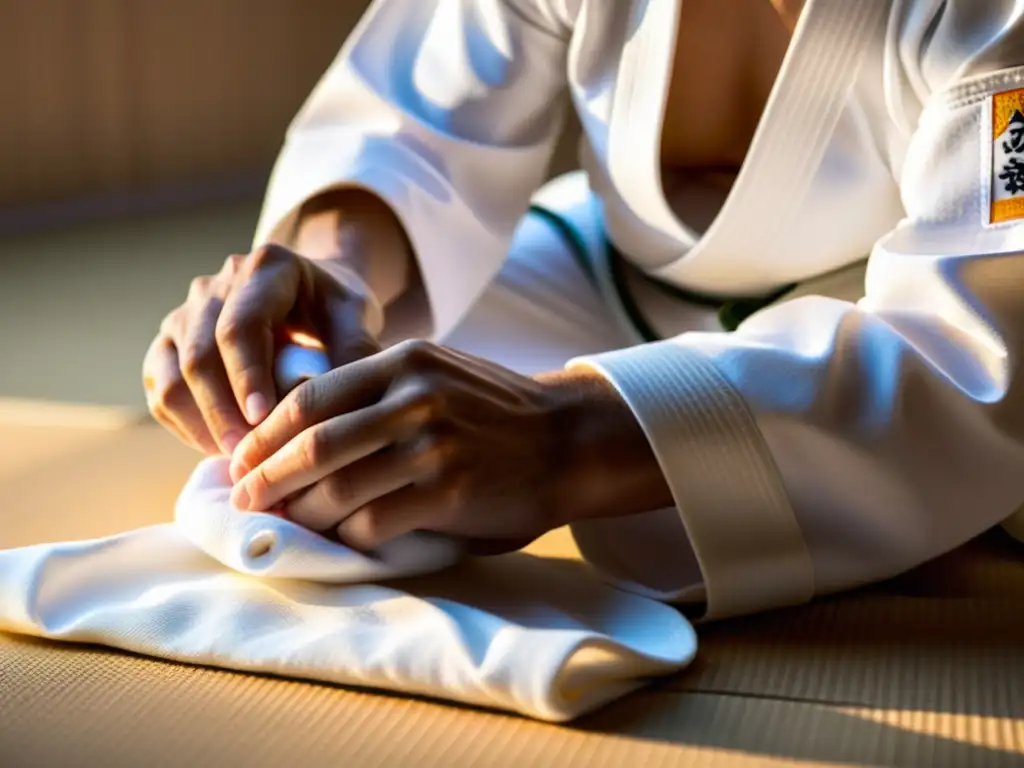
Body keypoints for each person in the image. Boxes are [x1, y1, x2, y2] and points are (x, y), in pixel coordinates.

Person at [143, 0, 1024, 620]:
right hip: (600, 274)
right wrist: (328, 269)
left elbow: (978, 343)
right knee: (341, 387)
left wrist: (562, 439)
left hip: (871, 309)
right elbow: (413, 123)